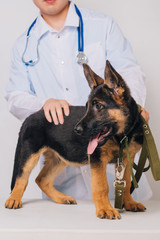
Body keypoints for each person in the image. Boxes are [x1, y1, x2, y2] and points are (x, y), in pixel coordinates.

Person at [5, 0, 151, 201]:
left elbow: (129, 71)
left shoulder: (103, 25)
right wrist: (43, 104)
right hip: (66, 178)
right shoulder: (23, 44)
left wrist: (133, 107)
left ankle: (125, 197)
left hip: (118, 174)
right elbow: (14, 95)